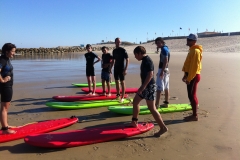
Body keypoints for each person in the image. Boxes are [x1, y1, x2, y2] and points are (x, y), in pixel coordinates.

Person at [131, 46, 168, 136]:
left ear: (139, 53)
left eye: (135, 55)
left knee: (152, 108)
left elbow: (150, 74)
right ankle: (134, 121)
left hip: (149, 87)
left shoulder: (148, 61)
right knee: (135, 102)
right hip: (145, 87)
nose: (135, 57)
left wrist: (142, 87)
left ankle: (163, 127)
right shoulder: (144, 60)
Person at [182, 33, 203, 121]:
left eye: (189, 40)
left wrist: (189, 78)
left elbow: (194, 67)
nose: (188, 41)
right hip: (190, 75)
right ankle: (194, 113)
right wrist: (185, 75)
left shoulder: (195, 51)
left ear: (194, 41)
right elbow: (188, 65)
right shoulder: (192, 50)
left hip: (193, 76)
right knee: (190, 95)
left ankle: (195, 115)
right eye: (187, 39)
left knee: (192, 95)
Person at [0, 43, 16, 134]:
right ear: (7, 51)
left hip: (6, 86)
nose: (14, 53)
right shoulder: (3, 60)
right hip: (5, 86)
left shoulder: (5, 59)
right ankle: (5, 129)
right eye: (13, 51)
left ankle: (5, 125)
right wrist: (2, 80)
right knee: (4, 108)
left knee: (4, 107)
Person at [111, 38, 129, 102]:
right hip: (116, 68)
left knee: (122, 82)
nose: (118, 43)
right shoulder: (114, 51)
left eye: (119, 42)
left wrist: (125, 69)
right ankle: (118, 95)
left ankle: (123, 97)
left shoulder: (123, 50)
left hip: (122, 68)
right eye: (117, 42)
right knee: (116, 82)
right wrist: (110, 68)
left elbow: (127, 59)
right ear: (115, 42)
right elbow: (113, 60)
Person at [155, 37, 170, 108]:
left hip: (163, 69)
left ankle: (156, 104)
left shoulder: (164, 49)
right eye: (156, 43)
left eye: (158, 43)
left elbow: (165, 60)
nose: (157, 44)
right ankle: (166, 103)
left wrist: (161, 72)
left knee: (159, 87)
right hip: (166, 69)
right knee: (166, 87)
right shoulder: (166, 48)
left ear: (162, 42)